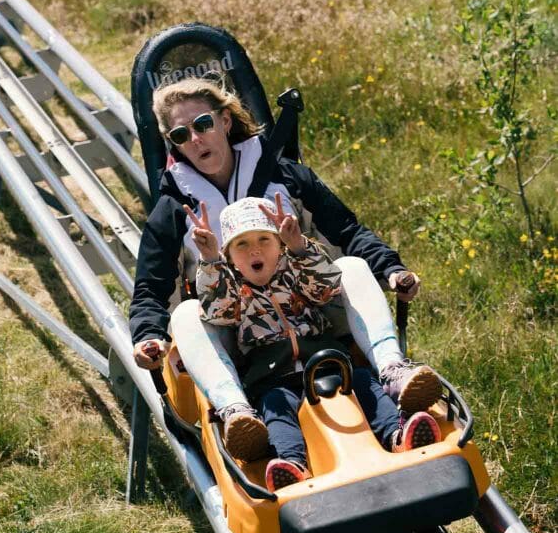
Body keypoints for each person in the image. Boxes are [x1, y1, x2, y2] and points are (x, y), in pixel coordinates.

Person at [130, 75, 442, 451]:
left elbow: (347, 231)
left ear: (225, 121)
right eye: (181, 135)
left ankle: (392, 371)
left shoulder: (285, 176)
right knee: (185, 315)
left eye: (203, 124)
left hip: (312, 311)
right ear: (173, 144)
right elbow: (150, 286)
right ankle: (236, 413)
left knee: (356, 267)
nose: (195, 140)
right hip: (236, 329)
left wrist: (391, 269)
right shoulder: (174, 210)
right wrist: (148, 335)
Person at [192, 195, 441, 489]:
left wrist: (299, 247)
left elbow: (327, 287)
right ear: (230, 256)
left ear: (280, 245)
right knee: (275, 408)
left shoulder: (295, 271)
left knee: (363, 382)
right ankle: (292, 464)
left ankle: (398, 435)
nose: (254, 249)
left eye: (264, 240)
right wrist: (210, 262)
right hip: (274, 378)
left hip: (329, 363)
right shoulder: (232, 289)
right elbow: (218, 312)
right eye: (241, 244)